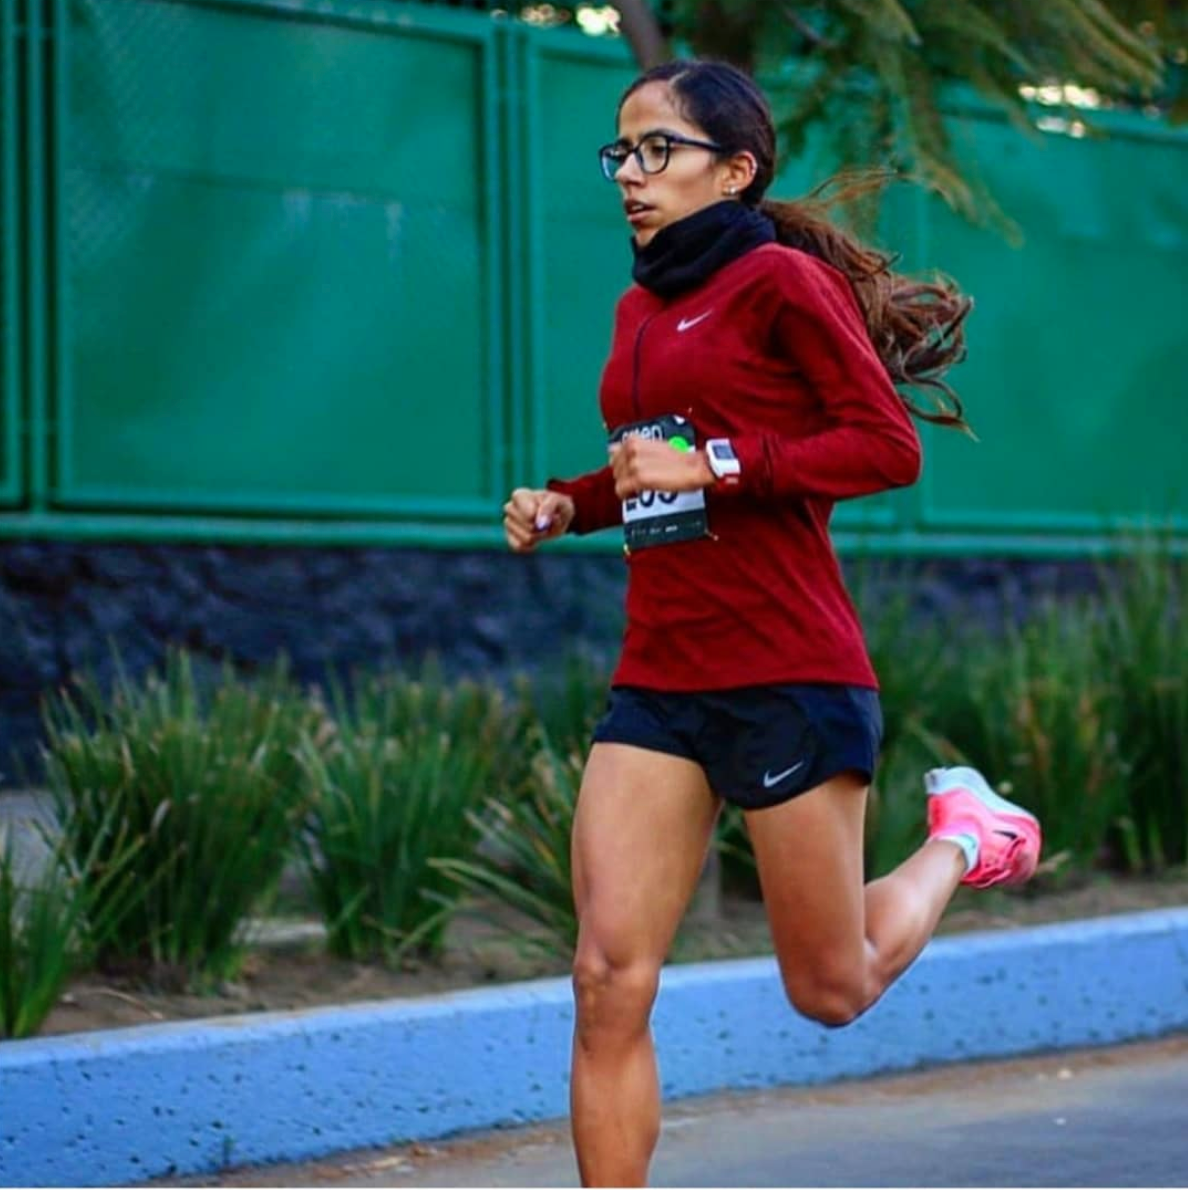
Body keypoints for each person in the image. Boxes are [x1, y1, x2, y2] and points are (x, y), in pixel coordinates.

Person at [502, 59, 1042, 1188]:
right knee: (607, 976)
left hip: (788, 666)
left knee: (831, 987)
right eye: (621, 151)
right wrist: (571, 499)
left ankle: (963, 835)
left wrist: (718, 460)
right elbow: (660, 470)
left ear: (735, 168)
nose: (631, 175)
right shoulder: (638, 305)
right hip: (661, 677)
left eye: (660, 150)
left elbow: (883, 446)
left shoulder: (781, 282)